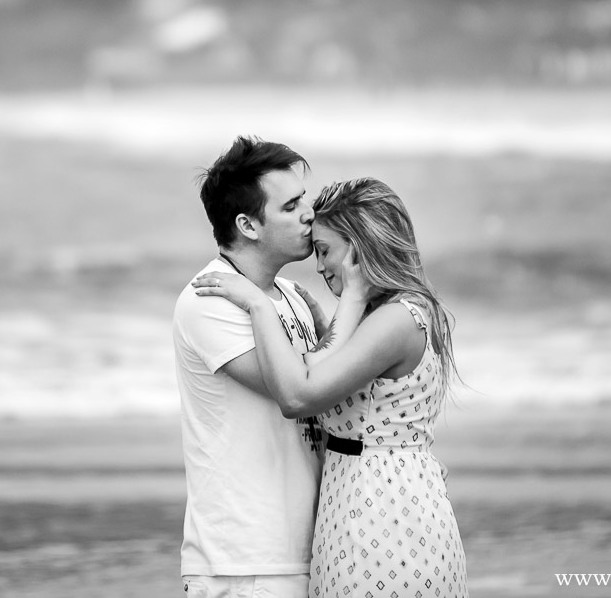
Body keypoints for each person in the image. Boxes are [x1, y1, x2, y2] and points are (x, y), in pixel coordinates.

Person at [193, 177, 468, 598]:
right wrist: (334, 322)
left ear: (360, 248)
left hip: (381, 514)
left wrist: (257, 304)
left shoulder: (394, 321)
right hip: (360, 503)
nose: (319, 266)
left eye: (324, 251)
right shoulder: (386, 316)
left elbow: (300, 394)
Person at [172, 136, 331, 598]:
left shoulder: (290, 297)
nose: (309, 215)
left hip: (302, 550)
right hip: (242, 562)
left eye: (306, 200)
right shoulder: (211, 299)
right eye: (292, 206)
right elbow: (297, 392)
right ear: (248, 224)